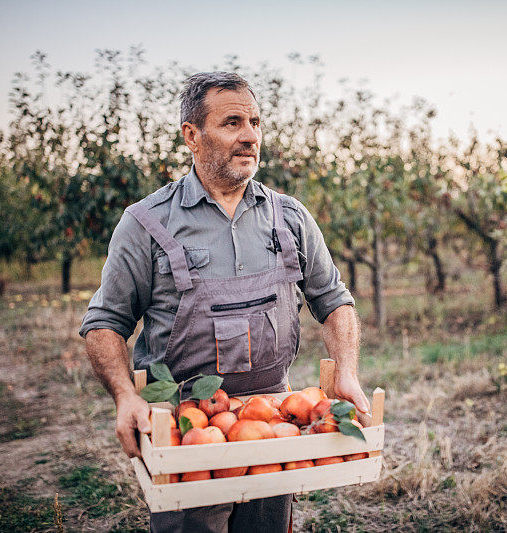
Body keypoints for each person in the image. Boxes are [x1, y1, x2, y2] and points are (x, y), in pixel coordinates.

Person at [80, 71, 370, 533]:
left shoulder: (289, 217)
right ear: (192, 135)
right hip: (184, 428)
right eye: (232, 122)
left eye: (255, 122)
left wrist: (348, 372)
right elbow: (105, 323)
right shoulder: (146, 223)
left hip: (275, 424)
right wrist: (124, 396)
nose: (250, 136)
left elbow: (334, 300)